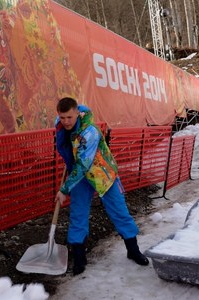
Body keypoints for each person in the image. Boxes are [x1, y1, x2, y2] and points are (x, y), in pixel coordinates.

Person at [54, 97, 149, 275]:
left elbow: (84, 164)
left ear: (77, 113)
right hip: (79, 176)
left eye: (69, 117)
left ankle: (133, 251)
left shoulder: (89, 132)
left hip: (102, 173)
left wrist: (64, 189)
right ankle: (80, 259)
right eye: (62, 117)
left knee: (119, 211)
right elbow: (74, 156)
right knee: (78, 213)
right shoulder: (60, 123)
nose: (66, 121)